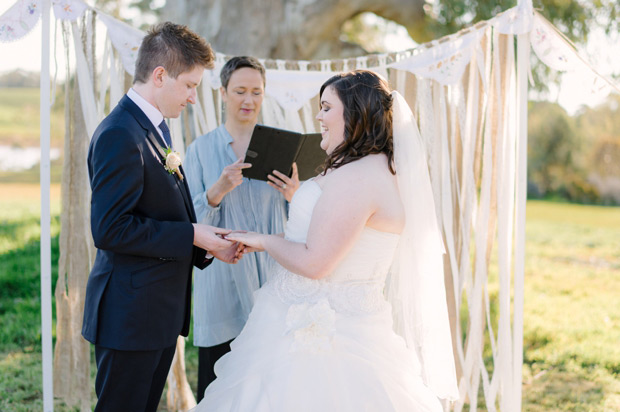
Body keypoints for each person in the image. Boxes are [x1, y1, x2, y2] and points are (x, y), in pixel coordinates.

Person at [191, 70, 459, 411]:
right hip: (320, 322)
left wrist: (262, 240)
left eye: (326, 107)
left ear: (354, 113)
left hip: (323, 341)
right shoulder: (372, 168)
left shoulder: (357, 177)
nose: (318, 116)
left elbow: (315, 262)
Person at [81, 22, 243, 412]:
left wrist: (206, 243)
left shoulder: (155, 129)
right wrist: (191, 234)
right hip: (130, 319)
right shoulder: (120, 133)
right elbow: (110, 229)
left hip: (154, 316)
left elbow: (161, 210)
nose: (192, 98)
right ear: (159, 76)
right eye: (189, 85)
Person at [184, 56, 300, 401]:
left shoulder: (284, 148)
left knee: (270, 389)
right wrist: (217, 190)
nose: (248, 100)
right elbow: (187, 224)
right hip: (221, 284)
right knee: (219, 388)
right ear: (222, 93)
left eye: (256, 92)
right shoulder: (200, 150)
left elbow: (304, 225)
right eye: (239, 91)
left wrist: (294, 195)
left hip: (272, 282)